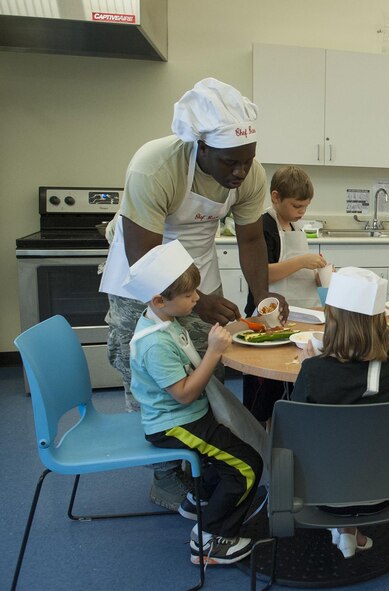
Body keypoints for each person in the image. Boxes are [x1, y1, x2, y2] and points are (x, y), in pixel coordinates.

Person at [99, 78, 284, 511]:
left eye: (248, 160)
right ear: (201, 147)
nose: (241, 172)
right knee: (151, 376)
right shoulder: (155, 165)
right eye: (231, 162)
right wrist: (197, 302)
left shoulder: (248, 173)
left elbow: (252, 241)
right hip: (142, 279)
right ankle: (165, 478)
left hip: (198, 268)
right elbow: (144, 253)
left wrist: (263, 300)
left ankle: (203, 462)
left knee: (206, 371)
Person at [125, 240, 263, 566]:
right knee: (247, 467)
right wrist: (214, 352)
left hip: (188, 416)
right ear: (160, 300)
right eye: (189, 296)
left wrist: (249, 323)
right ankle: (210, 539)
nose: (197, 299)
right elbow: (185, 393)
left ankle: (197, 501)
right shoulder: (154, 344)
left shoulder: (166, 320)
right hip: (175, 424)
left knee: (226, 455)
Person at [293, 267, 389, 559]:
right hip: (385, 492)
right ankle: (349, 531)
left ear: (331, 322)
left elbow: (295, 429)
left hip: (321, 495)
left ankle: (344, 529)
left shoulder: (313, 372)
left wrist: (307, 365)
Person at [242, 165, 327, 425]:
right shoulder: (263, 225)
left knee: (291, 377)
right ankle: (259, 429)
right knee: (266, 381)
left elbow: (296, 269)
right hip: (268, 316)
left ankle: (284, 427)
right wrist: (302, 261)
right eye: (297, 206)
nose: (302, 212)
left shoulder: (293, 226)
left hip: (300, 313)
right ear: (275, 197)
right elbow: (263, 274)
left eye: (306, 207)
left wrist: (319, 273)